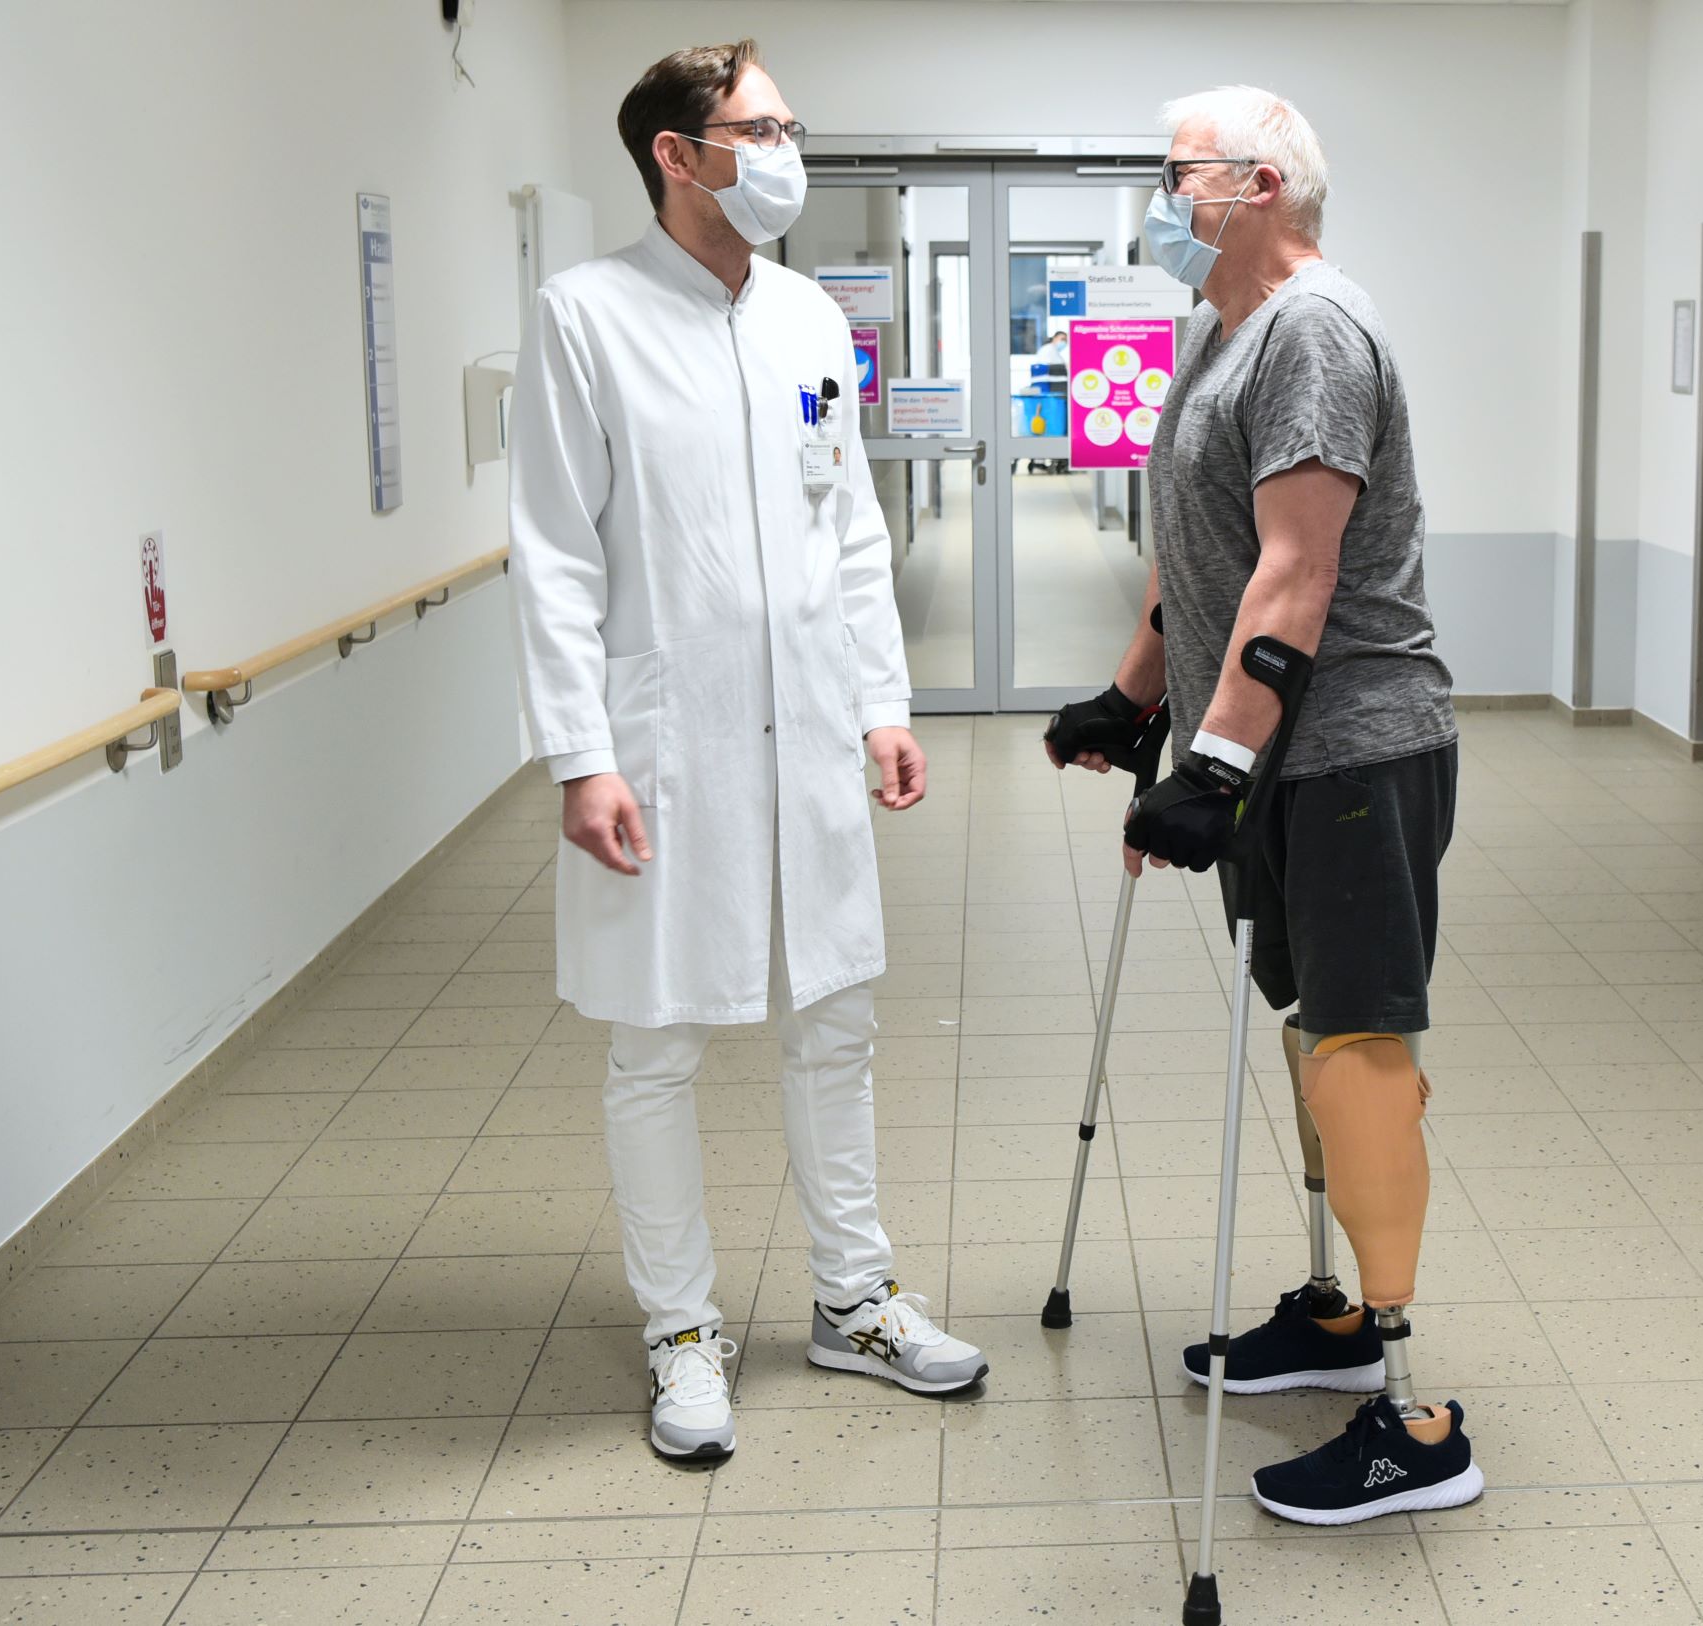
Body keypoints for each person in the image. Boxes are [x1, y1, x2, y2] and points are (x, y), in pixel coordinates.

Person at [507, 38, 986, 1465]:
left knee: (834, 1017)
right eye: (760, 125)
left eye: (789, 121)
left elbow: (847, 529)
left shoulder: (806, 322)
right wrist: (580, 754)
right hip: (666, 737)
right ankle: (679, 1328)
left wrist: (882, 702)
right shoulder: (583, 315)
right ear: (676, 151)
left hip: (812, 727)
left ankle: (853, 1295)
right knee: (657, 1042)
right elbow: (551, 553)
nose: (786, 147)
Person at [1046, 84, 1478, 1524]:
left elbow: (1298, 567)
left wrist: (1215, 763)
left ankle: (1415, 1418)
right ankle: (1338, 1316)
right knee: (1307, 1020)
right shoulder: (1224, 339)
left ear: (1264, 184)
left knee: (1358, 1035)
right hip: (1279, 752)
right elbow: (1201, 550)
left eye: (1179, 176)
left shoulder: (1312, 331)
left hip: (1351, 745)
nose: (1162, 202)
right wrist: (1135, 697)